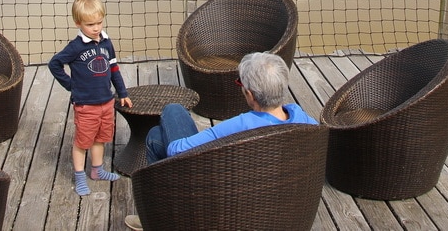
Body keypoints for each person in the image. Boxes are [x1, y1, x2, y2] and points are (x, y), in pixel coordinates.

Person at [124, 52, 317, 230]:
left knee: (168, 117)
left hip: (216, 189)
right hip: (271, 192)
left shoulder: (241, 125)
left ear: (249, 94)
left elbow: (178, 151)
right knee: (158, 135)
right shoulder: (305, 121)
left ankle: (155, 216)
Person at [49, 0, 132, 196]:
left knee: (100, 139)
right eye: (90, 24)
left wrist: (122, 92)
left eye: (99, 22)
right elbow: (55, 64)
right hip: (86, 105)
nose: (96, 28)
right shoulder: (75, 47)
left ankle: (97, 171)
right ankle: (79, 176)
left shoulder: (106, 42)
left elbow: (113, 68)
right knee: (82, 142)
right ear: (78, 23)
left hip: (106, 102)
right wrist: (71, 85)